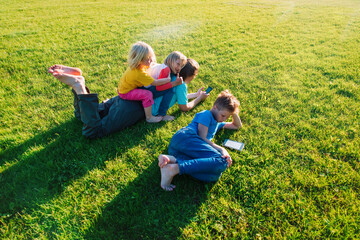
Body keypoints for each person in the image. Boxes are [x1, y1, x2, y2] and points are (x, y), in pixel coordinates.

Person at [158, 90, 243, 191]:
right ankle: (174, 169)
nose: (224, 119)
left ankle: (172, 160)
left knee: (214, 175)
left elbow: (237, 125)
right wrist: (221, 149)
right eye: (223, 115)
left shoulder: (218, 123)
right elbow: (202, 138)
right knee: (222, 161)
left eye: (227, 116)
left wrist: (233, 112)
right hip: (186, 137)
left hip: (178, 150)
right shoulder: (206, 114)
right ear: (215, 107)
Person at [48, 64, 145, 139]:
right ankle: (79, 87)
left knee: (82, 116)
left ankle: (78, 82)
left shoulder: (152, 68)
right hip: (134, 107)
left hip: (126, 95)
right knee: (93, 131)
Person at [117, 41, 184, 123]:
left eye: (150, 58)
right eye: (146, 60)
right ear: (138, 59)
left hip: (124, 88)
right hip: (126, 92)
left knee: (163, 90)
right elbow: (156, 83)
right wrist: (169, 80)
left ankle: (160, 113)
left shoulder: (138, 66)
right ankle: (149, 117)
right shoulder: (139, 73)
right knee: (147, 95)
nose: (150, 61)